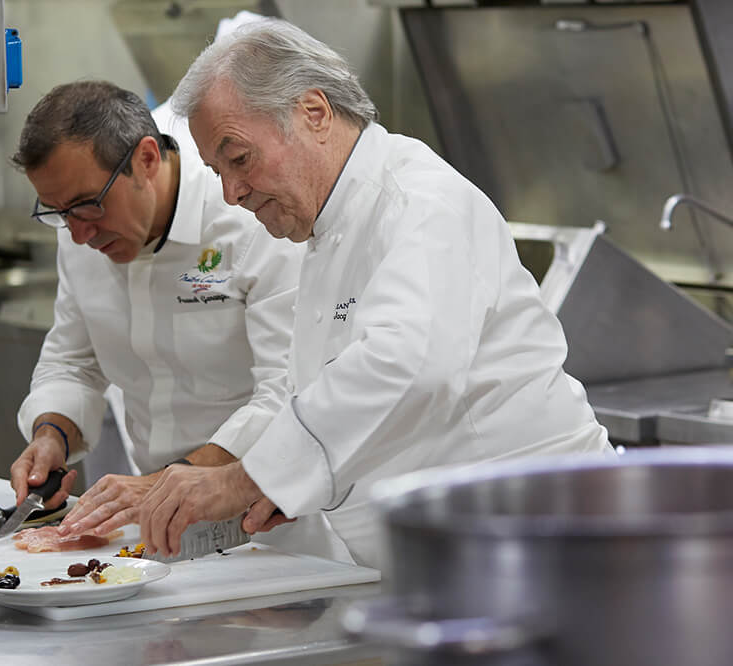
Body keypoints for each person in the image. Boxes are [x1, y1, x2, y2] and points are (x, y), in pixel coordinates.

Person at [137, 19, 615, 570]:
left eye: (239, 158)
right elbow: (340, 400)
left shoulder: (417, 201)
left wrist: (249, 477)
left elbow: (408, 365)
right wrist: (294, 486)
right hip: (450, 553)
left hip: (541, 543)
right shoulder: (328, 228)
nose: (232, 192)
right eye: (218, 172)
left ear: (313, 113)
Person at [7, 80, 322, 548]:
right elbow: (73, 362)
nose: (78, 234)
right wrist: (51, 435)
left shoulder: (248, 218)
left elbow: (289, 389)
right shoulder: (78, 231)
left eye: (88, 205)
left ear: (147, 159)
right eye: (58, 212)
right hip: (155, 519)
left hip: (273, 520)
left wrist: (176, 480)